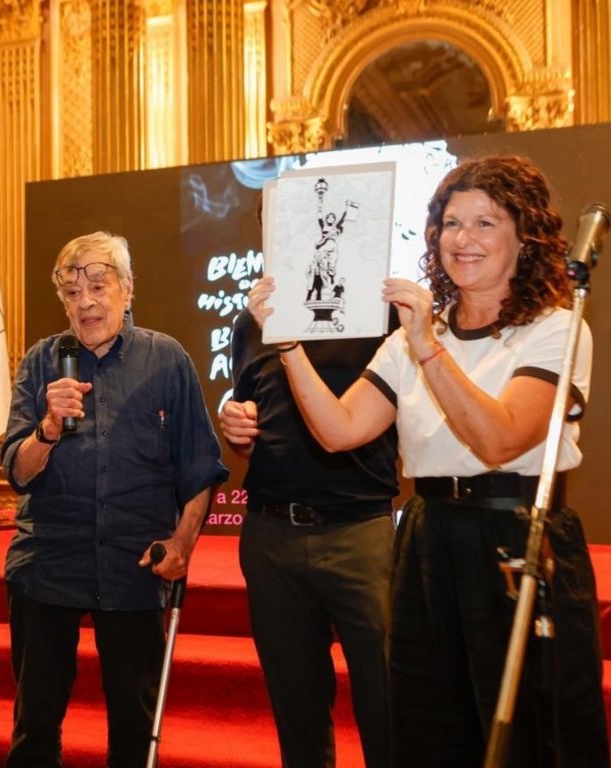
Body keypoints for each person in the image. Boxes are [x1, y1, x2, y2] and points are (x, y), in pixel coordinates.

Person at [255, 155, 608, 765]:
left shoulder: (556, 328)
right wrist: (287, 342)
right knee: (428, 723)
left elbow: (499, 441)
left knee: (527, 727)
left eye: (485, 223)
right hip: (427, 536)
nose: (462, 240)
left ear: (525, 240)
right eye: (450, 223)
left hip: (516, 537)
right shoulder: (414, 336)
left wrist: (429, 351)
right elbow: (340, 430)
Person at [1, 231, 229, 767]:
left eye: (98, 286)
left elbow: (200, 467)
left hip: (134, 563)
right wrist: (48, 428)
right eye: (72, 293)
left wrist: (182, 546)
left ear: (127, 288)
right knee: (34, 726)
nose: (86, 303)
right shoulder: (41, 362)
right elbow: (17, 470)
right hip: (48, 562)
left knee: (134, 725)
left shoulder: (166, 359)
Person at [220, 197, 397, 768]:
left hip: (360, 532)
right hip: (270, 533)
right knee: (296, 713)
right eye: (275, 224)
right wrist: (236, 429)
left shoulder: (381, 310)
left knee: (388, 703)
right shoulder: (251, 321)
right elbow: (250, 414)